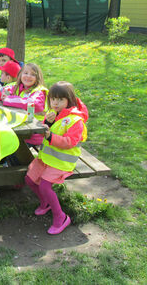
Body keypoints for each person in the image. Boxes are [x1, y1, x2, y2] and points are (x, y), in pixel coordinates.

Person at [25, 81, 88, 235]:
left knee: (45, 186)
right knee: (29, 180)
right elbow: (44, 129)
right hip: (46, 158)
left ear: (69, 100)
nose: (55, 103)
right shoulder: (52, 114)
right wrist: (46, 123)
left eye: (60, 100)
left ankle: (61, 217)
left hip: (61, 162)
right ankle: (45, 202)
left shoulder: (75, 120)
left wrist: (50, 135)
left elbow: (69, 142)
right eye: (53, 99)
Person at [2, 63, 48, 146]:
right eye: (26, 73)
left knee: (8, 142)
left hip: (35, 133)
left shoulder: (39, 92)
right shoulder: (19, 87)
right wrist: (5, 93)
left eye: (33, 74)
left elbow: (31, 103)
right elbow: (7, 88)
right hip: (21, 126)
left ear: (37, 78)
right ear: (20, 75)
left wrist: (8, 99)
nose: (28, 76)